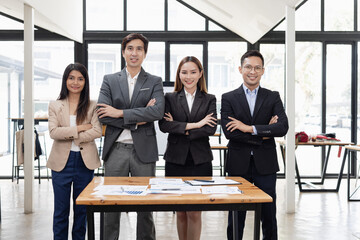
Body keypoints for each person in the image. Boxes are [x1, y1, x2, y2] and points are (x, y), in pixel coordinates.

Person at [96, 33, 165, 240]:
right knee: (110, 204)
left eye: (139, 49)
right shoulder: (109, 80)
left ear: (145, 53)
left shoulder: (154, 81)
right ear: (123, 51)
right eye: (130, 48)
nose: (134, 53)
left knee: (146, 207)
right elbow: (102, 114)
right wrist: (140, 115)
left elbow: (157, 112)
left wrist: (119, 112)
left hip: (143, 151)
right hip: (115, 149)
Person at [220, 50, 289, 240]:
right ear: (240, 69)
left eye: (257, 67)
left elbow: (282, 127)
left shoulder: (272, 96)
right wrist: (265, 131)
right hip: (237, 163)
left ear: (263, 70)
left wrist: (248, 128)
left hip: (265, 165)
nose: (253, 71)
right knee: (236, 215)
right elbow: (229, 133)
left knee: (268, 215)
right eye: (249, 67)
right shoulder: (228, 98)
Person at [159, 56, 217, 240]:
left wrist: (180, 127)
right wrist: (196, 124)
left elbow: (211, 128)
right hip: (175, 160)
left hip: (200, 161)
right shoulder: (169, 97)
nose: (188, 76)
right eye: (184, 72)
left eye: (193, 72)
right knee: (180, 211)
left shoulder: (209, 99)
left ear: (200, 74)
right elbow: (164, 126)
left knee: (194, 212)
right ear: (179, 74)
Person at [47, 63, 102, 240]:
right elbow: (53, 132)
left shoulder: (93, 105)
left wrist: (70, 133)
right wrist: (80, 128)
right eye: (71, 78)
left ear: (85, 82)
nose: (75, 82)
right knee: (61, 211)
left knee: (82, 211)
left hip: (84, 163)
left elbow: (97, 131)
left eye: (80, 78)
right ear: (65, 80)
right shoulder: (55, 105)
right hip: (60, 163)